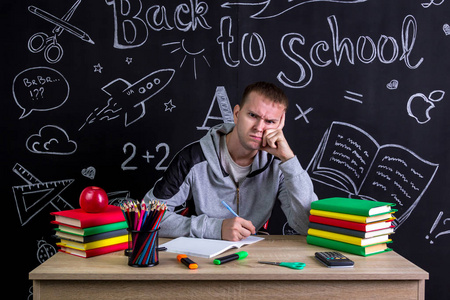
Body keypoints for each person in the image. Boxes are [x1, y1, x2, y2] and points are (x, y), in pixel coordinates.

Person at [144, 82, 317, 241]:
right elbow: (147, 216)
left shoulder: (279, 165)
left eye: (270, 121)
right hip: (201, 257)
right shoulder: (193, 158)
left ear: (280, 124)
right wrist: (215, 229)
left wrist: (289, 160)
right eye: (252, 115)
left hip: (254, 257)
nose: (259, 127)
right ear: (236, 114)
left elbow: (307, 226)